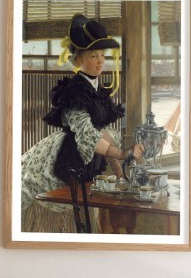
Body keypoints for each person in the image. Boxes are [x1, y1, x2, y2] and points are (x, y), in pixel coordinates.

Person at [21, 13, 144, 232]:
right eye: (93, 56)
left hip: (88, 156)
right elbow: (88, 135)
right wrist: (122, 154)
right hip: (68, 155)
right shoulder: (74, 92)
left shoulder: (97, 90)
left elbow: (102, 132)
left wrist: (119, 173)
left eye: (102, 55)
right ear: (79, 60)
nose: (100, 61)